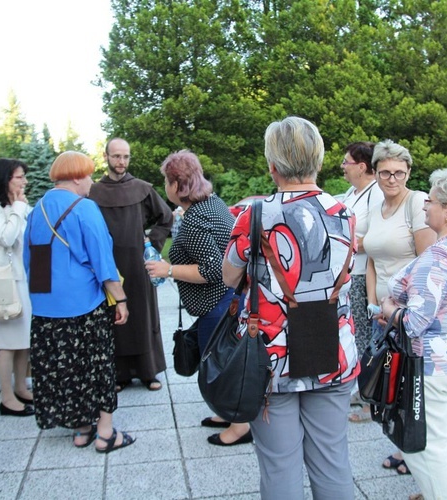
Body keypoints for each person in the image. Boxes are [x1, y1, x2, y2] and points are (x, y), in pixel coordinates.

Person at [222, 116, 359, 498]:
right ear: (318, 159)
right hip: (331, 347)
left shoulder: (255, 214)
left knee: (279, 466)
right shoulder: (345, 213)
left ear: (273, 165)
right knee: (333, 461)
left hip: (271, 355)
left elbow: (229, 277)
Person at [380, 167, 447, 500]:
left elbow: (413, 322)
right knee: (446, 428)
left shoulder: (441, 255)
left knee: (425, 444)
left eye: (431, 201)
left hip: (430, 364)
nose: (425, 206)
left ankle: (442, 494)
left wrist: (387, 310)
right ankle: (444, 489)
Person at [24, 151, 135, 452]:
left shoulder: (37, 210)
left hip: (47, 308)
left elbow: (30, 262)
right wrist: (120, 299)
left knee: (67, 370)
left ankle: (81, 429)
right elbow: (102, 259)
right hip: (84, 304)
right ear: (75, 177)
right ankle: (105, 433)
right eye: (87, 175)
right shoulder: (84, 208)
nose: (90, 182)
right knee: (98, 367)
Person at [145, 150, 252, 446]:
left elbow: (211, 269)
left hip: (217, 303)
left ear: (177, 185)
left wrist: (168, 269)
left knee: (221, 365)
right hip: (232, 298)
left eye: (166, 181)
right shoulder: (213, 204)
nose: (164, 187)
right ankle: (226, 412)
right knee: (224, 360)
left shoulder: (194, 221)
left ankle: (240, 426)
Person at [362, 139, 436, 468]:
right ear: (375, 173)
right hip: (383, 313)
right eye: (385, 173)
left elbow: (428, 261)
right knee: (395, 383)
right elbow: (372, 259)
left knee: (414, 386)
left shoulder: (416, 203)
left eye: (399, 173)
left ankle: (419, 453)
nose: (393, 179)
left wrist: (398, 310)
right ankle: (406, 446)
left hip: (407, 314)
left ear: (408, 173)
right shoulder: (377, 209)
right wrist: (373, 304)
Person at [89, 138, 173, 392]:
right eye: (116, 156)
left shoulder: (142, 188)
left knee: (142, 315)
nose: (121, 162)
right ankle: (119, 373)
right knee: (115, 318)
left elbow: (165, 218)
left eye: (125, 156)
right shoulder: (93, 192)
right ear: (106, 157)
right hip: (108, 265)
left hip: (138, 265)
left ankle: (149, 372)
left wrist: (151, 245)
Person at [0, 159, 34, 417]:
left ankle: (21, 387)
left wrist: (20, 206)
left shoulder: (16, 205)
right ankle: (6, 397)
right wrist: (19, 207)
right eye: (18, 177)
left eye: (24, 177)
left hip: (22, 279)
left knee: (23, 340)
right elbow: (6, 237)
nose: (24, 182)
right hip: (3, 281)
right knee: (6, 343)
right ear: (4, 179)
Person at [340, 141, 384, 422]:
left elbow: (380, 238)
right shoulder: (351, 192)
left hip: (362, 275)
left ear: (362, 166)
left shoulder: (376, 194)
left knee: (366, 338)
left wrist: (349, 243)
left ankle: (371, 402)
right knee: (356, 337)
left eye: (346, 162)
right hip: (349, 274)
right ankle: (363, 389)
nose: (342, 167)